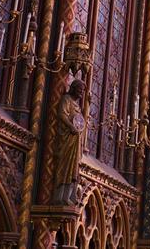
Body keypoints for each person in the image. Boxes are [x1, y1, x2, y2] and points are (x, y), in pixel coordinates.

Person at [53, 77, 86, 205]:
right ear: (73, 88)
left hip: (76, 141)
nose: (81, 93)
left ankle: (70, 195)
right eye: (79, 89)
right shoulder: (66, 99)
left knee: (74, 167)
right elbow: (62, 114)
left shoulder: (77, 105)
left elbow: (80, 122)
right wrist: (71, 126)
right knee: (66, 166)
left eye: (83, 91)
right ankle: (61, 195)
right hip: (67, 139)